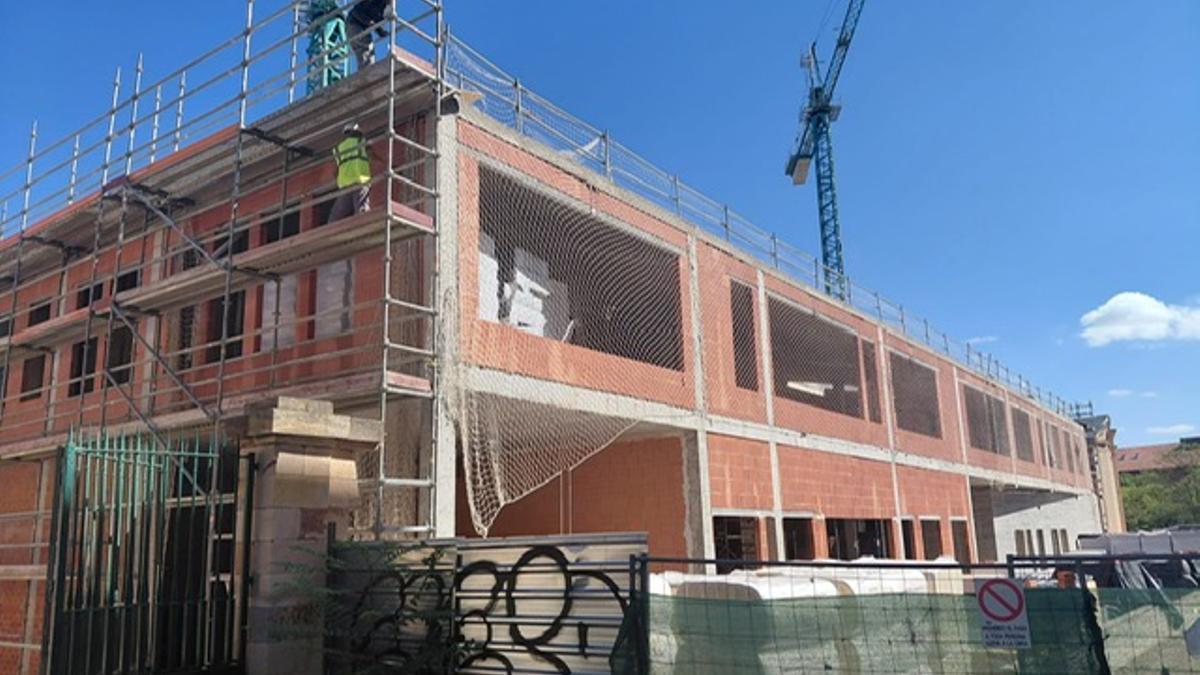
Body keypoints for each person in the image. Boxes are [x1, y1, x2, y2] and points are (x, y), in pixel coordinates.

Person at [328, 122, 374, 223]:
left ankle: (330, 232)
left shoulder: (339, 148)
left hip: (345, 185)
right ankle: (364, 230)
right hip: (360, 181)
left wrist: (341, 180)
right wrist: (388, 164)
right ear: (356, 132)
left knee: (336, 217)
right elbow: (371, 156)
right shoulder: (361, 141)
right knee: (361, 212)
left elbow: (334, 173)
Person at [346, 0, 388, 71]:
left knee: (364, 53)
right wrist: (370, 23)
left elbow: (376, 23)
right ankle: (367, 75)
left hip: (353, 26)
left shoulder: (382, 8)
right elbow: (357, 12)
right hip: (355, 25)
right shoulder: (376, 3)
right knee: (367, 49)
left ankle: (365, 74)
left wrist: (381, 32)